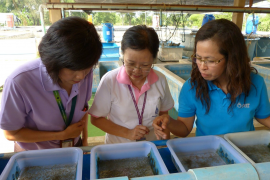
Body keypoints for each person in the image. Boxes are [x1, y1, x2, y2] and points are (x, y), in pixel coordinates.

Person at [153, 19, 270, 139]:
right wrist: (169, 122)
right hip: (208, 150)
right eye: (198, 58)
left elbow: (263, 116)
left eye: (211, 60)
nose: (202, 66)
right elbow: (185, 128)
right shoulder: (192, 87)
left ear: (232, 58)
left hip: (244, 148)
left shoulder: (256, 83)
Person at [0, 16, 102, 151]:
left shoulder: (86, 74)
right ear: (53, 62)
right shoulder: (19, 82)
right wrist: (61, 135)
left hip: (74, 148)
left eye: (86, 69)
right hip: (36, 155)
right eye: (73, 70)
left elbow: (83, 110)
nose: (81, 76)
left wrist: (84, 140)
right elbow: (11, 133)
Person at [89, 25, 174, 144]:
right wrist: (127, 133)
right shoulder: (110, 80)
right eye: (130, 63)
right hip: (119, 149)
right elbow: (96, 119)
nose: (137, 70)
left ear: (154, 59)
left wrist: (165, 140)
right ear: (122, 54)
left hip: (152, 145)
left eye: (145, 65)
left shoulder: (160, 80)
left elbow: (164, 114)